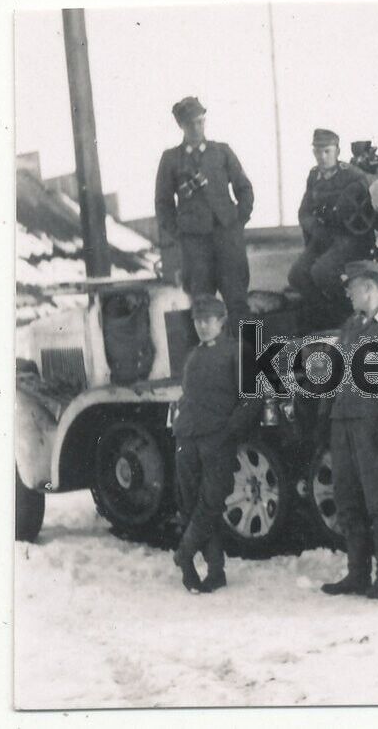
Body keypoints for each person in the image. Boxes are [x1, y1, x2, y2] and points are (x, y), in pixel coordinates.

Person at [320, 261, 378, 599]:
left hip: (373, 423)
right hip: (343, 422)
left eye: (352, 286)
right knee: (346, 499)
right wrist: (326, 414)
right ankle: (357, 573)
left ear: (370, 287)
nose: (348, 293)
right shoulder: (351, 326)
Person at [172, 295, 260, 593]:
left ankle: (184, 554)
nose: (202, 326)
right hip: (187, 437)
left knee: (211, 502)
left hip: (216, 439)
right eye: (197, 321)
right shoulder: (193, 355)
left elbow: (252, 400)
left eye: (208, 320)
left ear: (222, 321)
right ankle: (214, 570)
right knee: (191, 503)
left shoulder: (237, 351)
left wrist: (229, 430)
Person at [155, 96, 254, 334]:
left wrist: (238, 222)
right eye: (191, 124)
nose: (197, 128)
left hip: (228, 239)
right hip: (195, 246)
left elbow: (244, 188)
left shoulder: (222, 151)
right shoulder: (171, 159)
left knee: (238, 302)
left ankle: (251, 354)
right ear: (181, 125)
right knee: (202, 306)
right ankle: (210, 354)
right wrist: (180, 232)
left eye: (200, 122)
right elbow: (163, 204)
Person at [288, 129, 375, 328]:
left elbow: (368, 212)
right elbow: (304, 212)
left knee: (322, 272)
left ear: (337, 151)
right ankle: (327, 315)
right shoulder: (314, 176)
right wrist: (316, 230)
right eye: (318, 152)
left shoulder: (353, 175)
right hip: (323, 236)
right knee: (297, 275)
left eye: (327, 151)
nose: (323, 156)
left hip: (351, 238)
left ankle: (348, 315)